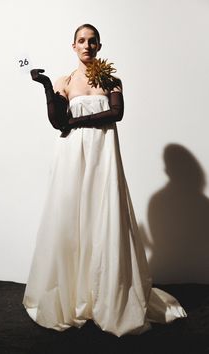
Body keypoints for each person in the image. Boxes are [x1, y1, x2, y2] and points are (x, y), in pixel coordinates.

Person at [22, 24, 186, 337]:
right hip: (72, 157)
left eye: (92, 41)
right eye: (81, 41)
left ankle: (107, 298)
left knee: (103, 218)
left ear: (99, 45)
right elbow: (59, 123)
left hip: (104, 158)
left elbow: (116, 113)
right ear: (73, 46)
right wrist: (45, 86)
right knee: (72, 220)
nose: (87, 45)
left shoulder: (111, 79)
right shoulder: (65, 81)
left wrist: (76, 121)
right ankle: (74, 297)